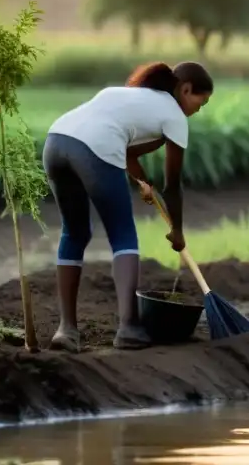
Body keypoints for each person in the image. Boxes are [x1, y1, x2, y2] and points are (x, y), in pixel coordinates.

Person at [42, 61, 213, 352]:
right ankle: (129, 328)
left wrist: (142, 181)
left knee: (75, 233)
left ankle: (66, 330)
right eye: (202, 100)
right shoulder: (175, 117)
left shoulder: (129, 95)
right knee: (123, 236)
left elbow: (126, 150)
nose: (200, 108)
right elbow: (173, 186)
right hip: (93, 148)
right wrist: (178, 230)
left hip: (56, 142)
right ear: (185, 89)